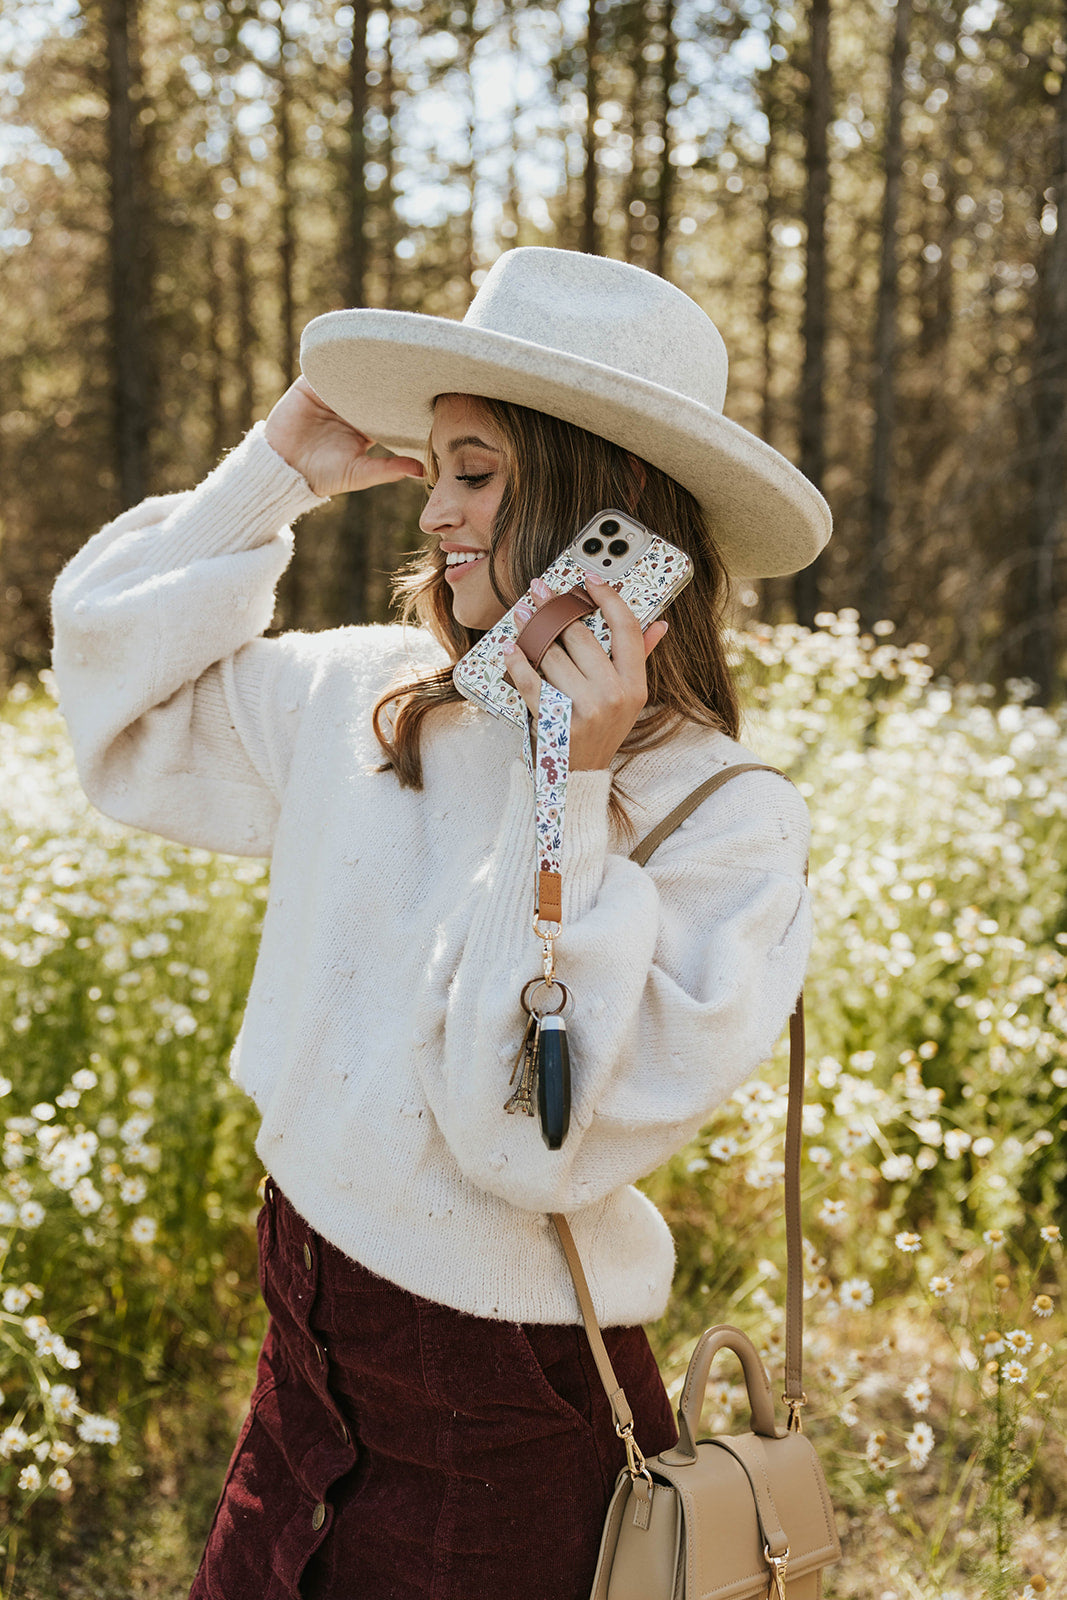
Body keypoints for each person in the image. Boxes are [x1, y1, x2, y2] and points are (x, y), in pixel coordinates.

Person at [51, 247, 830, 1600]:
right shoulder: (366, 693)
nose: (433, 512)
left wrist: (566, 791)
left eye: (477, 473)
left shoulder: (725, 818)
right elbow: (117, 715)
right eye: (438, 467)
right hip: (301, 1349)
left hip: (505, 1418)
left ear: (614, 512)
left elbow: (526, 1137)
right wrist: (280, 461)